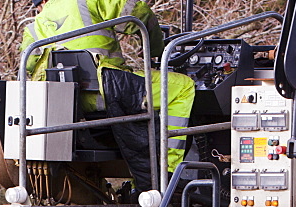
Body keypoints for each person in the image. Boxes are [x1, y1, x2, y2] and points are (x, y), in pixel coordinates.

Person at [20, 0, 196, 173]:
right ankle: (169, 169)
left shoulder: (35, 26)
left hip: (70, 104)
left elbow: (28, 64)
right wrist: (157, 49)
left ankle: (142, 180)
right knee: (183, 87)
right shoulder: (88, 1)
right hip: (109, 91)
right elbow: (139, 11)